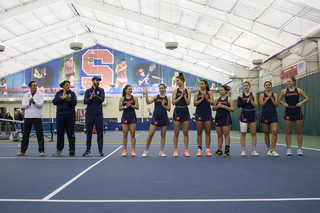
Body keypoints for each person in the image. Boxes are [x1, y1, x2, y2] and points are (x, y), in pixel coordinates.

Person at [279, 76, 309, 156]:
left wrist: (300, 103)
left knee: (299, 131)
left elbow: (306, 98)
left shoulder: (299, 90)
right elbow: (279, 100)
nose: (288, 83)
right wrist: (283, 103)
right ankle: (289, 149)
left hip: (297, 112)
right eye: (287, 82)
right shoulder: (284, 91)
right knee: (288, 131)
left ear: (294, 82)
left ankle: (299, 149)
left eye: (289, 81)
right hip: (288, 112)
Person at [142, 85, 171, 157]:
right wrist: (146, 94)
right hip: (156, 117)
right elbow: (148, 102)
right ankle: (146, 150)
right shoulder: (155, 97)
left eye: (162, 88)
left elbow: (169, 108)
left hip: (164, 117)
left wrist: (164, 105)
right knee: (150, 134)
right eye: (160, 88)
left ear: (165, 89)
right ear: (159, 89)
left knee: (163, 134)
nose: (161, 89)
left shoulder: (167, 98)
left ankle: (161, 151)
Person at [17, 81, 45, 156]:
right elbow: (23, 106)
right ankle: (22, 150)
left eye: (36, 85)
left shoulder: (40, 95)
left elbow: (41, 105)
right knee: (26, 134)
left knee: (39, 134)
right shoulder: (26, 95)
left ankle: (41, 150)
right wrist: (29, 103)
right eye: (33, 85)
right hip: (28, 117)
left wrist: (34, 102)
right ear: (30, 87)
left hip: (37, 117)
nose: (35, 87)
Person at [52, 80, 77, 156]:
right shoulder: (58, 93)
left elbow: (74, 103)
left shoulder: (72, 94)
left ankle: (72, 149)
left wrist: (69, 100)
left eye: (69, 85)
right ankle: (59, 150)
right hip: (60, 115)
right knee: (60, 133)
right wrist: (62, 98)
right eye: (66, 85)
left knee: (71, 133)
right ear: (63, 86)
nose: (68, 86)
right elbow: (54, 102)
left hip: (70, 115)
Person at [83, 76, 105, 157]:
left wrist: (95, 96)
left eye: (99, 81)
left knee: (100, 133)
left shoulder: (101, 90)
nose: (98, 82)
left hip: (98, 114)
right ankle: (88, 150)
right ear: (92, 81)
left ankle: (100, 150)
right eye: (96, 80)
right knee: (88, 133)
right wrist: (90, 97)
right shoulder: (88, 91)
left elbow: (102, 100)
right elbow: (85, 101)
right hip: (89, 114)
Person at [172, 73, 191, 157]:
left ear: (182, 81)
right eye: (176, 81)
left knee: (185, 132)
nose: (177, 82)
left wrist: (185, 96)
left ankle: (186, 150)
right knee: (176, 132)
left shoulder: (188, 91)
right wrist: (181, 96)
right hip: (177, 110)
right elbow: (173, 102)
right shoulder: (175, 91)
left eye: (178, 81)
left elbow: (188, 102)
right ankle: (175, 150)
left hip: (185, 111)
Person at [212, 85, 235, 156]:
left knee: (226, 134)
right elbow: (213, 108)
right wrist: (217, 107)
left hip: (226, 118)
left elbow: (232, 109)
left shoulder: (229, 99)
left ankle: (227, 150)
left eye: (222, 90)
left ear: (226, 91)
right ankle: (219, 150)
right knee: (219, 135)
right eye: (219, 90)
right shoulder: (217, 99)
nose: (220, 91)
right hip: (218, 118)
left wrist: (225, 107)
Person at [194, 80, 214, 157]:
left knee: (207, 132)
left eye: (202, 84)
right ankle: (199, 150)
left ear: (206, 85)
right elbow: (195, 103)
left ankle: (207, 150)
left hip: (207, 113)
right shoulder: (197, 93)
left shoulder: (210, 93)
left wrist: (206, 99)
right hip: (199, 113)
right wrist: (201, 99)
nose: (201, 85)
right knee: (199, 132)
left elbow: (212, 103)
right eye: (200, 84)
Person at [237, 81, 258, 156]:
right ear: (243, 87)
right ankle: (243, 150)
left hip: (252, 114)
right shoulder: (240, 95)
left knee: (253, 133)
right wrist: (247, 101)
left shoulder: (254, 95)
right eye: (244, 86)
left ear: (249, 86)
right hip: (244, 115)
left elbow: (255, 105)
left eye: (247, 86)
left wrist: (251, 100)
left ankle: (254, 150)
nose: (246, 87)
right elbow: (239, 105)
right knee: (243, 133)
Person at [259, 81, 280, 156]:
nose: (268, 86)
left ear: (271, 86)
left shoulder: (275, 95)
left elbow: (276, 105)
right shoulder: (262, 95)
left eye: (269, 85)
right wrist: (268, 98)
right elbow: (261, 105)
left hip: (273, 114)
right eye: (266, 85)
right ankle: (268, 149)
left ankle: (273, 149)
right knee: (266, 132)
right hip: (265, 115)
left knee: (274, 131)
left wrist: (272, 99)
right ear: (264, 87)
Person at [119, 85, 139, 156]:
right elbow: (120, 108)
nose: (130, 90)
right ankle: (125, 150)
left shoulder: (134, 98)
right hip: (125, 117)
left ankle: (133, 150)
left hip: (132, 117)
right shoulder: (122, 98)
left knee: (133, 134)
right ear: (125, 90)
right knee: (125, 135)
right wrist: (125, 106)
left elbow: (137, 107)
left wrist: (131, 106)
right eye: (129, 89)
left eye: (131, 89)